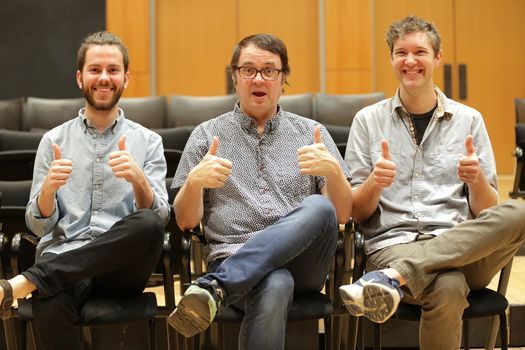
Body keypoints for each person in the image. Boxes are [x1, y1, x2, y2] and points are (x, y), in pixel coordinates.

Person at [339, 15, 525, 349]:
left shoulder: (469, 120)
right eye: (401, 53)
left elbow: (487, 211)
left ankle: (391, 280)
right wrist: (375, 184)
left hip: (462, 244)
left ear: (437, 58)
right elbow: (358, 213)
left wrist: (478, 180)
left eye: (420, 52)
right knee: (449, 285)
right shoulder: (367, 121)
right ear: (392, 58)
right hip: (392, 246)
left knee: (519, 214)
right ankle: (395, 272)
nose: (410, 61)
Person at [168, 33, 352, 349]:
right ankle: (225, 283)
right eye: (249, 70)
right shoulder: (206, 136)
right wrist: (195, 182)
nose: (259, 79)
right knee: (275, 280)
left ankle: (216, 287)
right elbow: (184, 223)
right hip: (231, 253)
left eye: (269, 71)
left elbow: (344, 214)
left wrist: (334, 172)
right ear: (235, 77)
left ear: (283, 80)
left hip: (303, 261)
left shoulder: (311, 133)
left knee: (321, 208)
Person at [0, 31, 169, 350]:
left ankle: (27, 281)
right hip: (64, 259)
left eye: (113, 70)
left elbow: (158, 221)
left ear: (126, 78)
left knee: (147, 223)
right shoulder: (53, 142)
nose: (104, 78)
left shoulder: (148, 142)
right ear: (80, 78)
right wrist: (48, 191)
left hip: (121, 269)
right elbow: (37, 226)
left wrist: (138, 180)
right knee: (49, 302)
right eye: (95, 70)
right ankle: (40, 280)